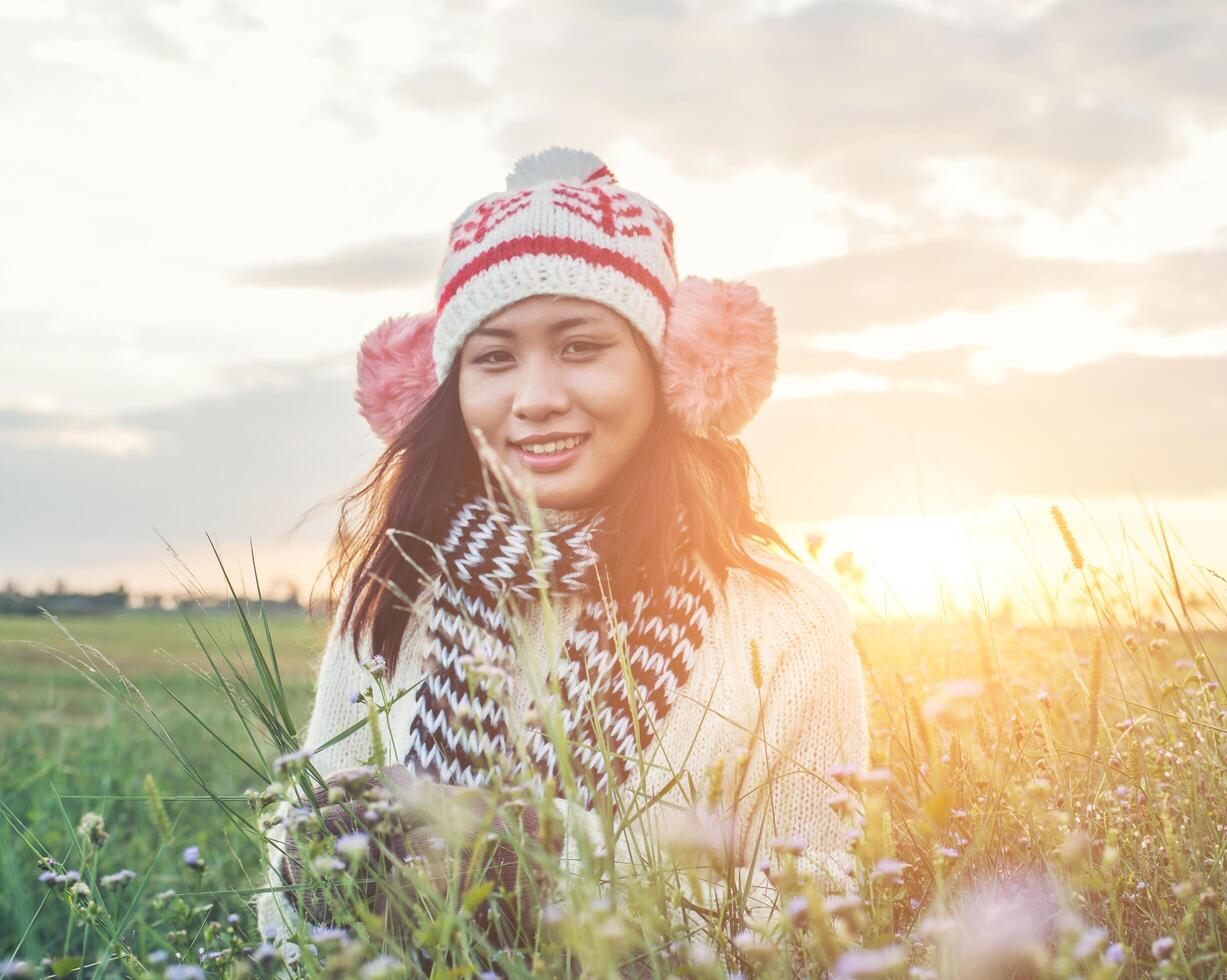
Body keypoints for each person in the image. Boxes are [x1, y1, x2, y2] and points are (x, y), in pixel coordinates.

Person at [254, 147, 870, 961]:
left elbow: (817, 919)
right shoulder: (402, 595)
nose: (536, 398)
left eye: (580, 346)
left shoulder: (784, 618)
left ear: (667, 370)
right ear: (449, 390)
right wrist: (314, 880)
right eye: (495, 357)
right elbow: (279, 931)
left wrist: (539, 877)